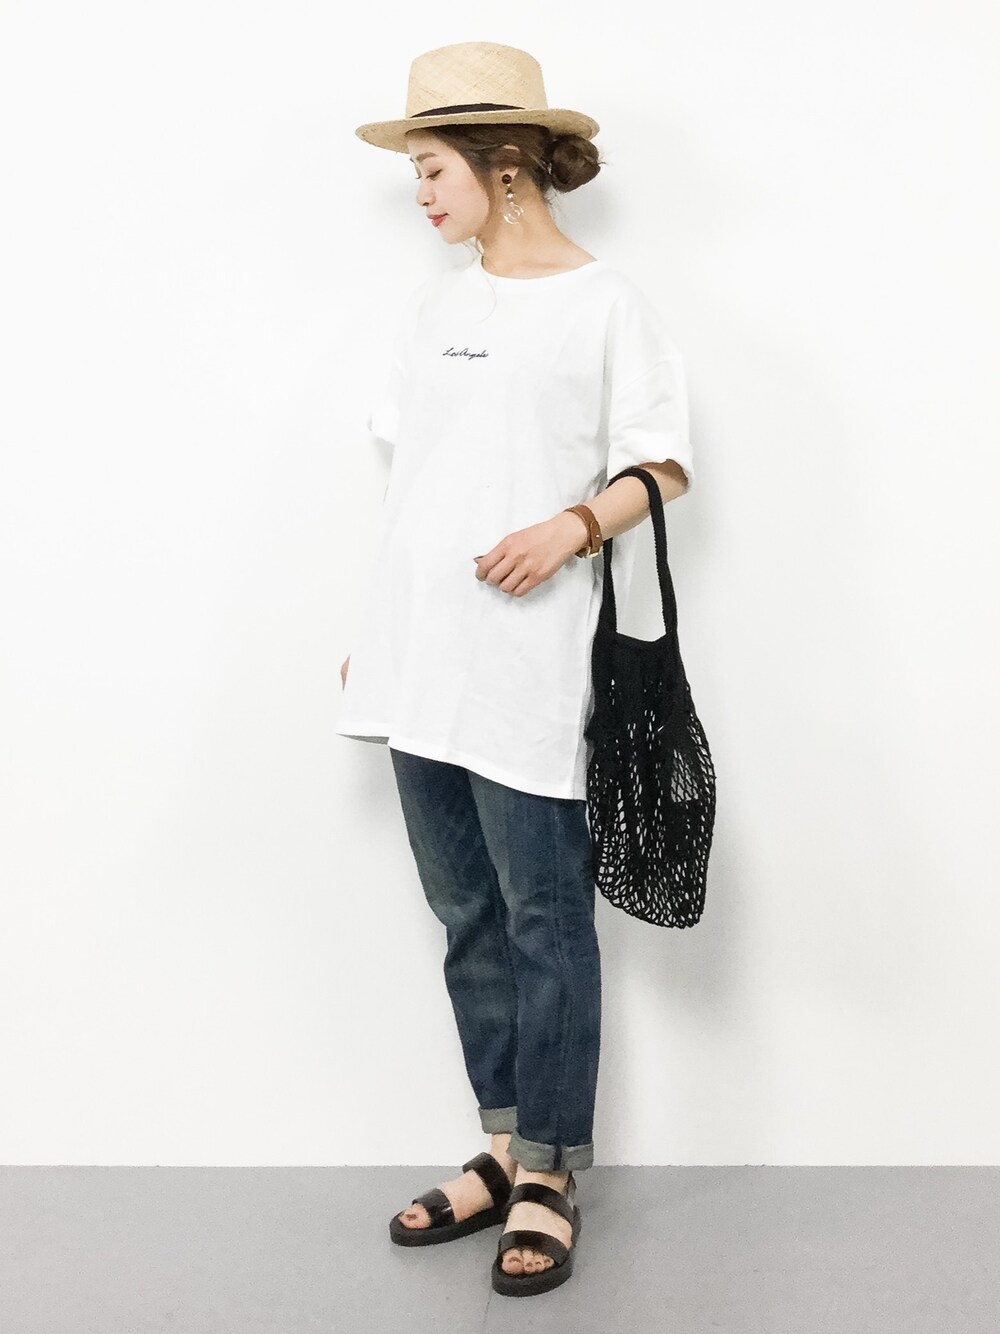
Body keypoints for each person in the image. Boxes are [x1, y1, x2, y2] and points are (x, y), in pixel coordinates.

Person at [335, 42, 694, 1297]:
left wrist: (571, 526)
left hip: (525, 663)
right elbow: (411, 484)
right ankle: (499, 1144)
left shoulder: (605, 303)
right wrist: (375, 621)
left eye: (431, 170)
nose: (420, 196)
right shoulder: (434, 309)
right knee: (466, 916)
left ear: (502, 167)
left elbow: (663, 462)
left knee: (545, 919)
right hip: (415, 659)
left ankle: (548, 1168)